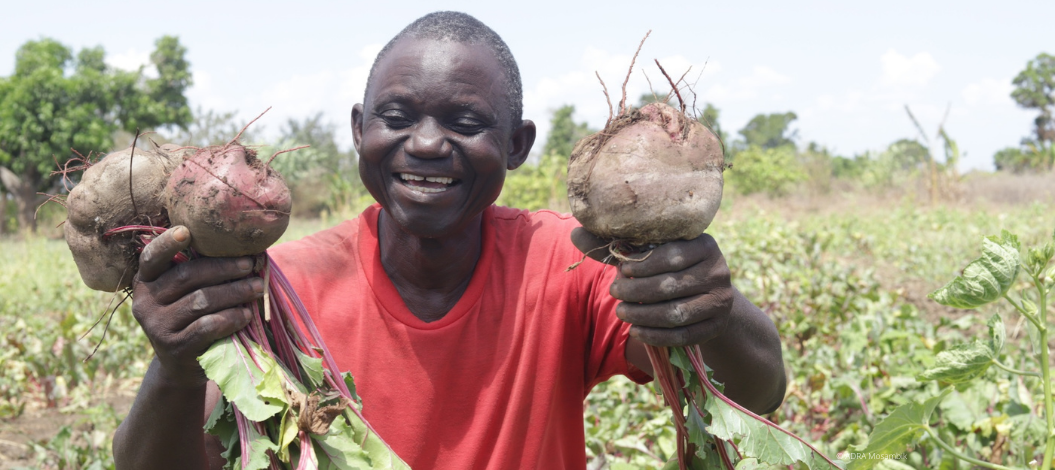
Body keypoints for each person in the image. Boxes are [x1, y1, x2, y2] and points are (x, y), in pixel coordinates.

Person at [112, 11, 785, 470]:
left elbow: (755, 394)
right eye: (397, 116)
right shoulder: (280, 286)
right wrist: (174, 367)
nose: (428, 144)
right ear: (360, 130)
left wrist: (711, 309)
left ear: (517, 145)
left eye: (464, 121)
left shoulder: (568, 261)